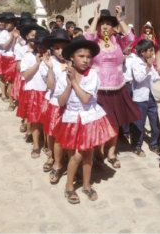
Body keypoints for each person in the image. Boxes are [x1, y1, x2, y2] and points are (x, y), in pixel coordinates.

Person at [54, 35, 117, 204]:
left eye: (88, 57)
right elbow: (60, 101)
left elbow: (85, 99)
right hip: (72, 118)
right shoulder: (63, 76)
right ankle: (69, 186)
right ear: (72, 58)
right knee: (76, 155)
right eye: (81, 56)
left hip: (89, 117)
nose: (85, 60)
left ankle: (87, 185)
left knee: (87, 153)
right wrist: (68, 84)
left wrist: (74, 81)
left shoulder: (92, 75)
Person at [85, 4, 142, 168]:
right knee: (99, 121)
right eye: (102, 23)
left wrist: (120, 19)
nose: (105, 26)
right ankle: (98, 152)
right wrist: (95, 17)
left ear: (113, 27)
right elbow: (86, 37)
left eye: (108, 23)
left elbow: (131, 39)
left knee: (115, 122)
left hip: (117, 88)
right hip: (99, 89)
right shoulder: (94, 42)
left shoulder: (118, 41)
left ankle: (111, 152)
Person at [39, 29, 70, 179]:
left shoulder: (73, 59)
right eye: (56, 48)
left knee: (68, 134)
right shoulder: (49, 63)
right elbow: (51, 86)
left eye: (63, 47)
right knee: (53, 132)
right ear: (52, 48)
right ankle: (53, 158)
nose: (60, 51)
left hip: (71, 103)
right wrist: (50, 68)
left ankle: (69, 162)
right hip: (56, 102)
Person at [19, 29, 50, 158]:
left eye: (44, 45)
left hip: (49, 93)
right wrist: (37, 63)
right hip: (34, 91)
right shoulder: (28, 56)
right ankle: (36, 145)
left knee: (48, 121)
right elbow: (25, 75)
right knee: (35, 120)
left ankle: (48, 145)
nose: (41, 47)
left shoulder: (51, 58)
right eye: (39, 44)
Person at [131, 39, 160, 157]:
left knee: (155, 122)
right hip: (140, 98)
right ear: (142, 52)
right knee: (139, 123)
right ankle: (136, 146)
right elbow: (138, 78)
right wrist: (148, 67)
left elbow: (155, 78)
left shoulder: (149, 64)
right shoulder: (136, 63)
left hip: (150, 96)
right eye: (150, 51)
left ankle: (155, 144)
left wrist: (158, 70)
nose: (152, 53)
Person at [0, 12, 19, 110]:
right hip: (6, 58)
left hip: (15, 59)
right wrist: (12, 37)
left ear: (13, 23)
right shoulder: (3, 33)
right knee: (4, 78)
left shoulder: (19, 32)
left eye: (8, 22)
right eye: (5, 22)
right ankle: (6, 96)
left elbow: (15, 48)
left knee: (12, 81)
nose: (6, 24)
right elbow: (4, 46)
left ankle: (12, 101)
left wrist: (15, 38)